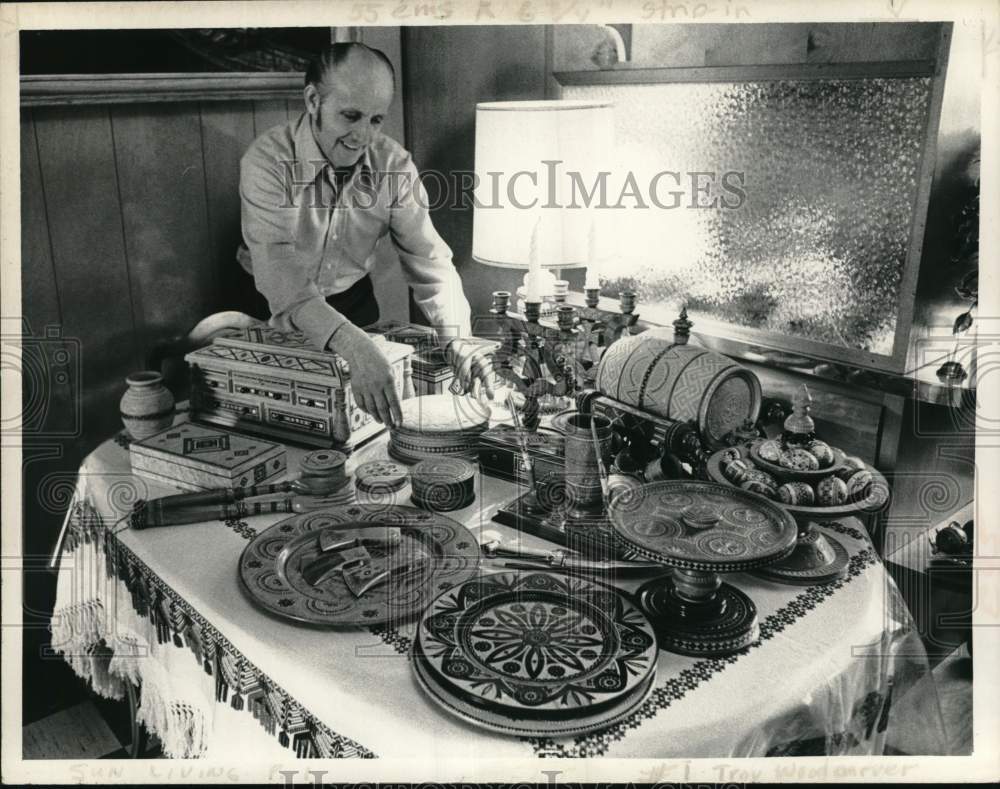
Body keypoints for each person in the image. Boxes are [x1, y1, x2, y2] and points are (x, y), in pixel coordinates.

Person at [239, 42, 493, 428]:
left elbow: (431, 261)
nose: (362, 136)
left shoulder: (394, 165)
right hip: (269, 311)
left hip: (355, 307)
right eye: (351, 116)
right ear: (312, 101)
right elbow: (281, 276)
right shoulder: (266, 161)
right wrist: (352, 346)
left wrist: (459, 338)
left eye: (375, 120)